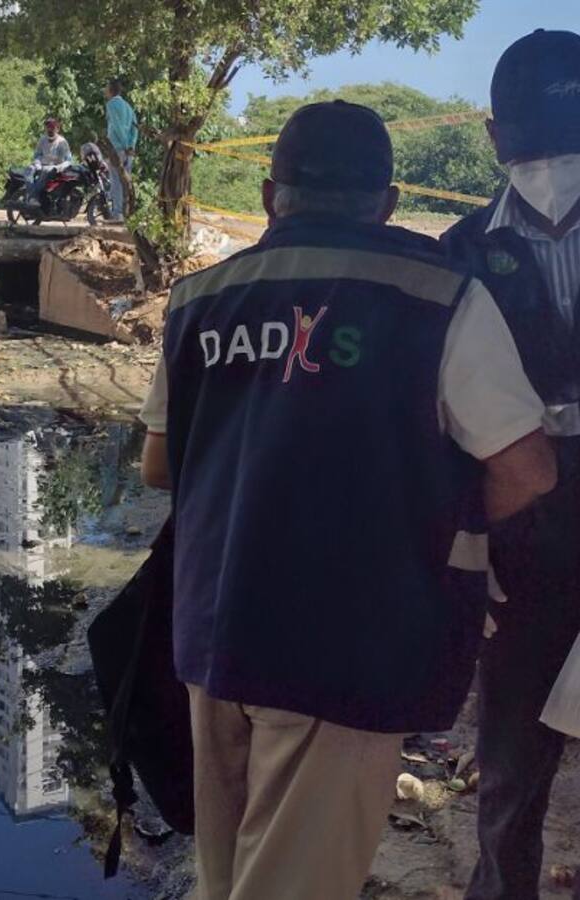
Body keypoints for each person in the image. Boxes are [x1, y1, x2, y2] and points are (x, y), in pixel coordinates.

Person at [138, 100, 557, 900]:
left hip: (213, 633)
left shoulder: (200, 298)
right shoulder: (438, 297)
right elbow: (528, 470)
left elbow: (160, 467)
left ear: (269, 197)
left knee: (228, 875)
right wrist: (436, 530)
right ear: (389, 202)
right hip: (345, 645)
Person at [440, 29, 580, 900]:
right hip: (517, 541)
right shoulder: (453, 257)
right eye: (535, 140)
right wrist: (467, 546)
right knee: (509, 776)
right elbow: (435, 425)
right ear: (494, 140)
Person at [104, 79, 138, 221]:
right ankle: (127, 213)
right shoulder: (128, 106)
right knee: (126, 182)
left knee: (116, 181)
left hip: (117, 148)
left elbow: (117, 126)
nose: (104, 90)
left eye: (106, 87)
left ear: (111, 90)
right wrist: (131, 145)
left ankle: (117, 213)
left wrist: (124, 145)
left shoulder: (111, 104)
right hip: (128, 150)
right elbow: (135, 128)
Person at [24, 117, 73, 211]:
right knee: (28, 170)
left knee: (46, 171)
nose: (50, 130)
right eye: (48, 127)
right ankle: (32, 197)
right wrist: (37, 163)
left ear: (57, 129)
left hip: (55, 168)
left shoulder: (62, 142)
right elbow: (37, 154)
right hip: (41, 165)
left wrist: (57, 167)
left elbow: (68, 160)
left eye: (52, 127)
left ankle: (33, 197)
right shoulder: (42, 139)